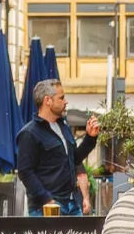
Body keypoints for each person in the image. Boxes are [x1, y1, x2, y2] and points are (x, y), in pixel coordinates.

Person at [14, 79, 97, 216]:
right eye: (61, 98)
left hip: (72, 203)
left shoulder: (63, 127)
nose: (65, 102)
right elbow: (25, 172)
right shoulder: (29, 133)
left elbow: (74, 159)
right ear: (48, 100)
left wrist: (90, 137)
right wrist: (46, 199)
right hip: (46, 207)